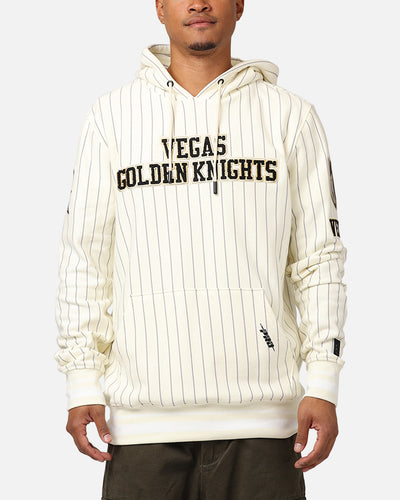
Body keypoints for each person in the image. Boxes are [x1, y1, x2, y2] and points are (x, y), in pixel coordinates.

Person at [54, 1, 348, 498]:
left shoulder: (290, 116)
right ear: (160, 7)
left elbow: (318, 257)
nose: (198, 3)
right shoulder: (111, 117)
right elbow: (85, 257)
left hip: (264, 425)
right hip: (142, 427)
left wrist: (323, 380)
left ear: (239, 5)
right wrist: (82, 379)